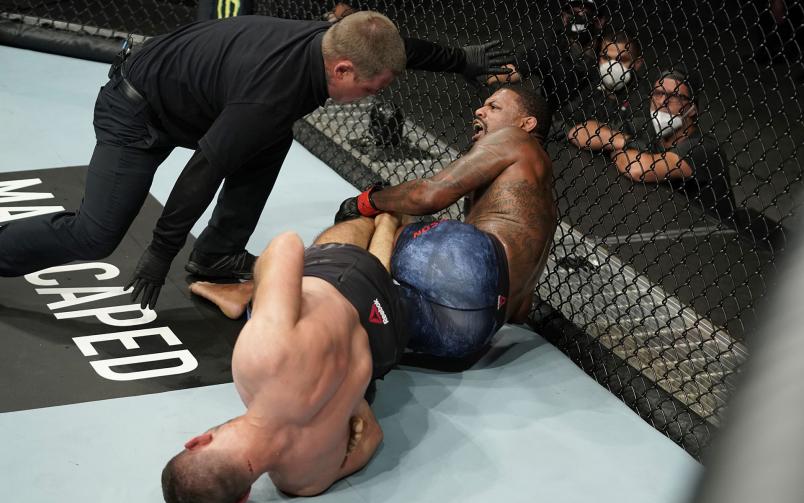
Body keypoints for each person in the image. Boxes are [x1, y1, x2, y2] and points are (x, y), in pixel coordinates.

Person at [0, 11, 512, 311]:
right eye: (375, 84)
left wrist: (460, 61)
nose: (382, 90)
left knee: (271, 141)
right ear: (343, 69)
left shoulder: (332, 43)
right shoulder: (271, 95)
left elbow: (395, 49)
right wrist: (161, 253)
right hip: (136, 116)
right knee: (96, 236)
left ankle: (217, 254)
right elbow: (204, 168)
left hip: (190, 101)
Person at [161, 213, 406, 503]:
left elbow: (371, 435)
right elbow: (286, 245)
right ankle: (379, 217)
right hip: (346, 278)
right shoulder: (256, 364)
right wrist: (263, 290)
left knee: (289, 312)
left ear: (242, 498)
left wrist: (346, 401)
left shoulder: (305, 482)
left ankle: (388, 225)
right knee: (328, 246)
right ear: (197, 441)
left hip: (387, 340)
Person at [335, 85, 557, 359]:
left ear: (526, 123)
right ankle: (362, 290)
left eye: (494, 107)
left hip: (472, 261)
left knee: (381, 217)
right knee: (361, 320)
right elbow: (521, 311)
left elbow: (427, 195)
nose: (479, 110)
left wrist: (367, 201)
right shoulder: (538, 205)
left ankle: (332, 270)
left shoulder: (515, 138)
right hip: (472, 332)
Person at [592, 67, 736, 221]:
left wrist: (615, 148)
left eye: (674, 96)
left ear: (692, 109)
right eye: (658, 93)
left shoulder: (704, 148)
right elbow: (582, 132)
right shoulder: (646, 127)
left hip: (716, 233)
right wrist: (626, 142)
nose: (662, 102)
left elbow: (637, 169)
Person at [567, 28, 648, 149]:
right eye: (606, 58)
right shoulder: (593, 85)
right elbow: (564, 119)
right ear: (599, 58)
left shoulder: (643, 98)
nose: (612, 66)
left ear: (637, 64)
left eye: (622, 60)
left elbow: (637, 140)